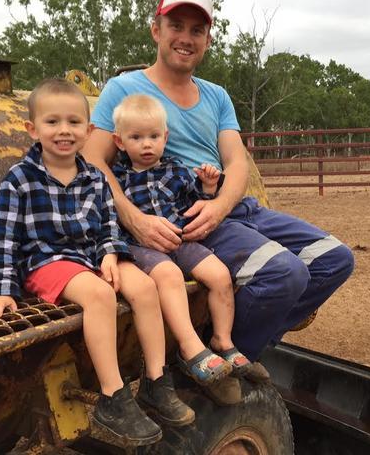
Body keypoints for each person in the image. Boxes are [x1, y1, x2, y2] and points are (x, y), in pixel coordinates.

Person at [83, 0, 354, 364]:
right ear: (156, 30)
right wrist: (135, 218)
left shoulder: (217, 95)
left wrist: (220, 206)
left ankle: (237, 348)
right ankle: (219, 359)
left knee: (335, 259)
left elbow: (237, 161)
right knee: (286, 274)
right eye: (176, 26)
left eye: (197, 30)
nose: (186, 38)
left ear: (208, 39)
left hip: (229, 207)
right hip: (184, 212)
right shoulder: (124, 89)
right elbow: (92, 163)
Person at [0, 79, 194, 446]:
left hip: (92, 256)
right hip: (48, 262)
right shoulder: (20, 179)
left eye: (74, 123)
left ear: (89, 132)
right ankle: (112, 398)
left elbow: (108, 225)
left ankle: (155, 380)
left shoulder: (94, 177)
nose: (64, 131)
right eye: (53, 122)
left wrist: (109, 253)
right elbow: (4, 237)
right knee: (100, 296)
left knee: (144, 285)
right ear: (33, 128)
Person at [111, 94, 267, 384]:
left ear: (165, 137)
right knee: (169, 275)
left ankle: (222, 340)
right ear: (119, 141)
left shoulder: (176, 171)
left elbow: (194, 203)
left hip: (180, 239)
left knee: (220, 274)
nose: (147, 144)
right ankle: (190, 347)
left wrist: (208, 187)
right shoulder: (116, 179)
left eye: (154, 136)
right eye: (136, 137)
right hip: (141, 247)